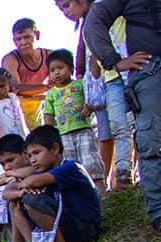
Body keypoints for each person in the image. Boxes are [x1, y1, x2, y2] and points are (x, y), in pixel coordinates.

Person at [84, 0, 158, 228]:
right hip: (152, 70)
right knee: (152, 142)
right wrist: (113, 61)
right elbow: (94, 21)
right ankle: (159, 213)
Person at [55, 0, 135, 190]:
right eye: (61, 8)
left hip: (130, 72)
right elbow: (90, 55)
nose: (66, 12)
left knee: (135, 124)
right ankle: (123, 172)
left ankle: (130, 171)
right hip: (110, 78)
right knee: (117, 126)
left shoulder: (114, 11)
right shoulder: (87, 26)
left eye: (67, 5)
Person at [1, 125, 102, 242]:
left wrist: (24, 186)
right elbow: (7, 192)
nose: (33, 160)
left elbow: (32, 182)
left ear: (54, 149)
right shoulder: (41, 171)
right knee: (15, 203)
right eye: (29, 156)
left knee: (32, 200)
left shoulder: (70, 168)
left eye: (36, 153)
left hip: (85, 229)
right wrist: (20, 192)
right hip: (66, 226)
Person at [42, 49, 108, 192]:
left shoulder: (79, 85)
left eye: (61, 68)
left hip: (83, 130)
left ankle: (101, 192)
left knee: (90, 161)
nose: (57, 73)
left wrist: (88, 106)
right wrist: (48, 135)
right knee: (70, 165)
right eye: (52, 70)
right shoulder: (51, 94)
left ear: (71, 68)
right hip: (63, 135)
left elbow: (90, 99)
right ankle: (79, 194)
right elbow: (48, 115)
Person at [2, 18, 54, 130]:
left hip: (42, 106)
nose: (22, 43)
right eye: (18, 39)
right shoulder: (11, 59)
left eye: (27, 37)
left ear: (37, 35)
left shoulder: (49, 55)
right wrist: (46, 88)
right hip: (18, 109)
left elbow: (60, 81)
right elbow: (15, 88)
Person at [0, 68, 29, 139]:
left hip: (21, 138)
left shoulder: (13, 97)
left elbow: (20, 119)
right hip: (3, 141)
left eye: (2, 86)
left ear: (9, 83)